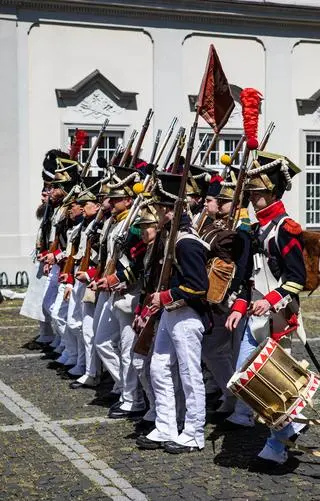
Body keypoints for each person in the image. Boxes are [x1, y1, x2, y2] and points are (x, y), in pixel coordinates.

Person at [224, 151, 307, 469]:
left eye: (257, 193)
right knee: (244, 379)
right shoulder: (256, 229)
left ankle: (276, 447)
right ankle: (289, 427)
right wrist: (241, 306)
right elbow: (249, 276)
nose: (252, 197)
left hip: (278, 316)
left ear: (272, 192)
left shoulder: (287, 228)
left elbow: (296, 280)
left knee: (273, 383)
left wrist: (270, 301)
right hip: (255, 314)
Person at [136, 171, 210, 453]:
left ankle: (193, 432)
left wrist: (164, 295)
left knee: (190, 375)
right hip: (171, 312)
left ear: (169, 210)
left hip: (188, 314)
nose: (156, 213)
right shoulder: (172, 238)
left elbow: (198, 287)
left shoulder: (186, 242)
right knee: (158, 366)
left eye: (160, 207)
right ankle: (166, 425)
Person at [200, 170, 253, 421]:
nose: (218, 203)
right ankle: (230, 394)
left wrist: (234, 295)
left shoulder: (243, 228)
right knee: (212, 350)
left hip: (234, 299)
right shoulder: (219, 225)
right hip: (216, 296)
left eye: (224, 200)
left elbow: (242, 266)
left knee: (237, 354)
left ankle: (243, 409)